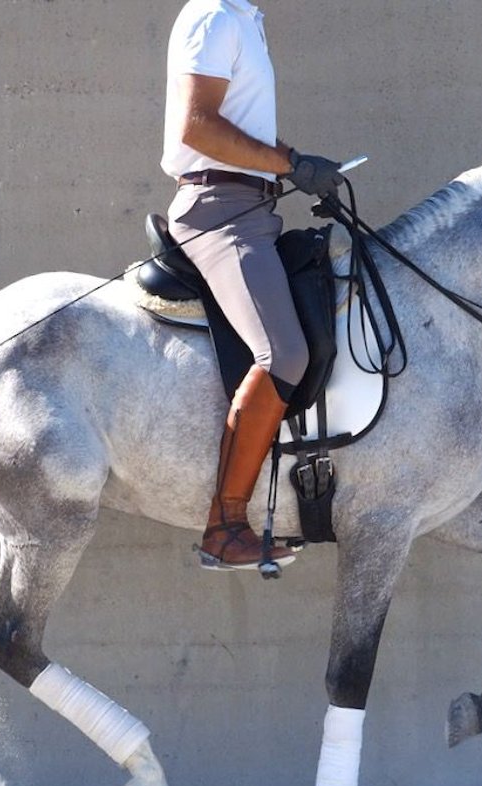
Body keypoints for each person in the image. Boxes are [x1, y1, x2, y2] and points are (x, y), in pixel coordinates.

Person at [161, 0, 344, 571]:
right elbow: (197, 126)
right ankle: (224, 525)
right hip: (220, 210)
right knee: (284, 352)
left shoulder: (245, 19)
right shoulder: (215, 16)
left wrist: (293, 167)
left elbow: (239, 126)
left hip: (254, 208)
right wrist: (290, 162)